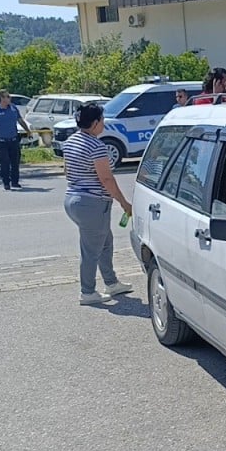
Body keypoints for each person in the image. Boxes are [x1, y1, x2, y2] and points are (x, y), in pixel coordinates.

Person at [61, 103, 134, 305]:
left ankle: (111, 282)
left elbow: (67, 171)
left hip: (73, 199)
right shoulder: (96, 146)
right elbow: (107, 179)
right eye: (102, 120)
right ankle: (87, 292)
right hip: (92, 203)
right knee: (91, 250)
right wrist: (124, 203)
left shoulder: (71, 141)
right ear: (94, 123)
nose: (104, 124)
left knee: (105, 242)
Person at [0, 89, 32, 191]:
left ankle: (15, 182)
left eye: (9, 96)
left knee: (15, 162)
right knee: (5, 162)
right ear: (1, 98)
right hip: (1, 141)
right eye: (7, 96)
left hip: (13, 140)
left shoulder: (13, 108)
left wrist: (28, 131)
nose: (9, 98)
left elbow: (20, 120)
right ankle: (6, 182)